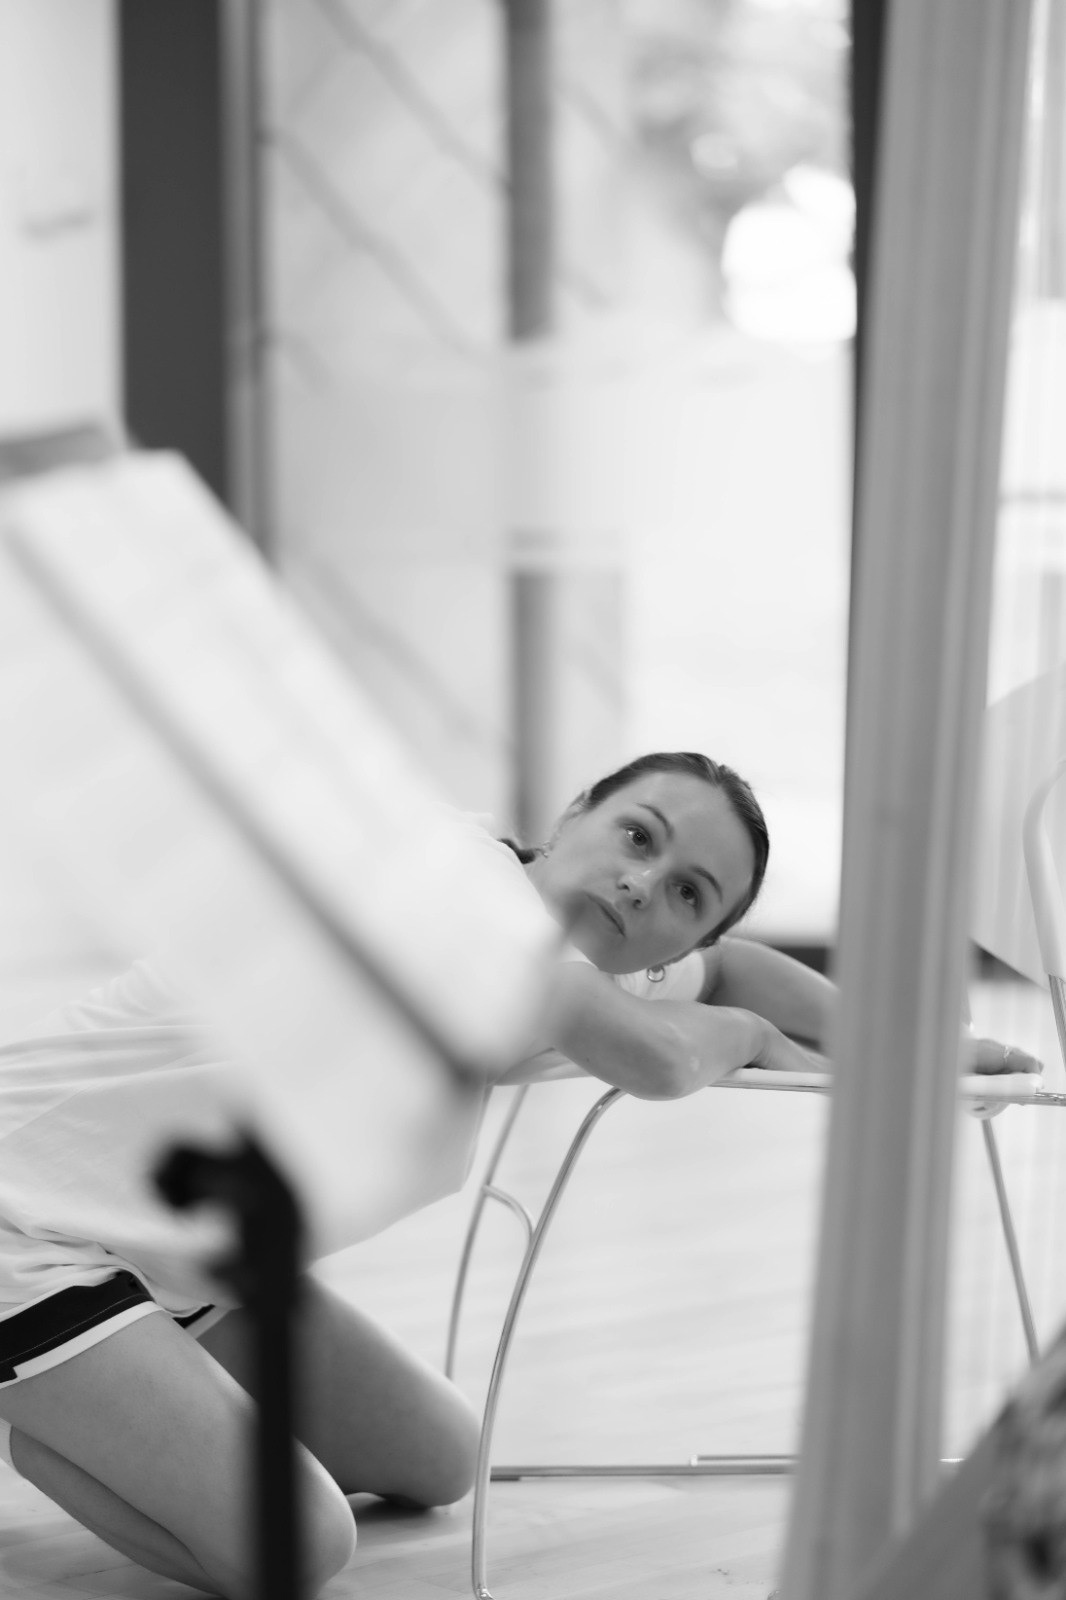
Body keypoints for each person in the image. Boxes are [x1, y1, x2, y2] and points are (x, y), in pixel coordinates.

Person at [0, 750, 1036, 1598]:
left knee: (439, 1457)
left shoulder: (589, 962)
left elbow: (737, 970)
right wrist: (759, 1039)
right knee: (302, 1547)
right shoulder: (462, 892)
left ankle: (99, 1396)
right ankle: (42, 1418)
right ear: (575, 812)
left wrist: (933, 1051)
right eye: (638, 835)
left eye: (687, 893)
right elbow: (664, 1059)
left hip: (173, 1253)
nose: (642, 882)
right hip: (30, 1223)